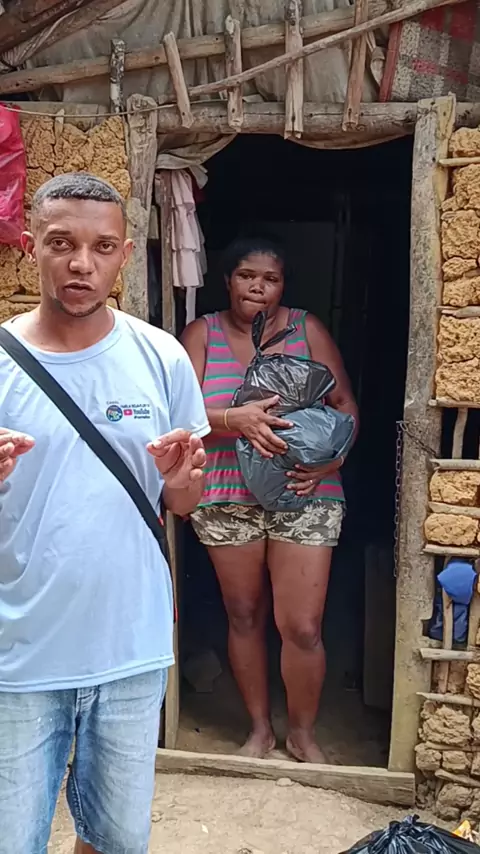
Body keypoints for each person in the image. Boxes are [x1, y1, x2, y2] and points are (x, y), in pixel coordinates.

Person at [0, 173, 210, 854]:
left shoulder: (160, 357)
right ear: (31, 244)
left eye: (102, 246)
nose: (81, 264)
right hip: (19, 657)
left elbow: (183, 503)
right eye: (61, 243)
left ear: (124, 252)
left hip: (129, 649)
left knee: (117, 840)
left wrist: (180, 481)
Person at [181, 236, 358, 764]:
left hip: (306, 490)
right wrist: (232, 419)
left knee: (301, 625)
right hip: (225, 493)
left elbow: (345, 406)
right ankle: (259, 731)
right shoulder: (202, 334)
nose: (258, 287)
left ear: (283, 286)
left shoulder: (308, 331)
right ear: (227, 280)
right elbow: (176, 413)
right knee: (244, 614)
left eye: (271, 279)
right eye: (246, 275)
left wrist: (333, 460)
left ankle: (302, 735)